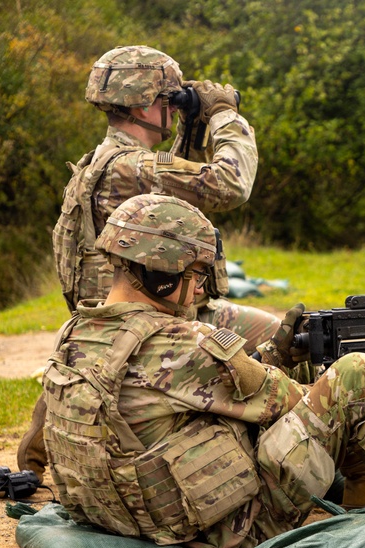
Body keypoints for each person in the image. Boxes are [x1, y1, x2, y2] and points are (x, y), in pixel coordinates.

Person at [42, 194, 365, 548]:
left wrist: (273, 356)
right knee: (359, 376)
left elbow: (207, 390)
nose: (199, 290)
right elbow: (301, 401)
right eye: (194, 276)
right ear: (159, 272)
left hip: (130, 517)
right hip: (231, 532)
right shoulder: (183, 342)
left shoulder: (77, 333)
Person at [19, 45, 280, 480]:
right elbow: (231, 185)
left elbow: (173, 181)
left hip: (104, 321)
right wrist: (224, 116)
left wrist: (188, 121)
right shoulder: (134, 167)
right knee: (280, 337)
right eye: (167, 100)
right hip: (153, 317)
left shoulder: (100, 162)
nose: (171, 108)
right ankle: (283, 452)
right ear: (145, 104)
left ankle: (39, 448)